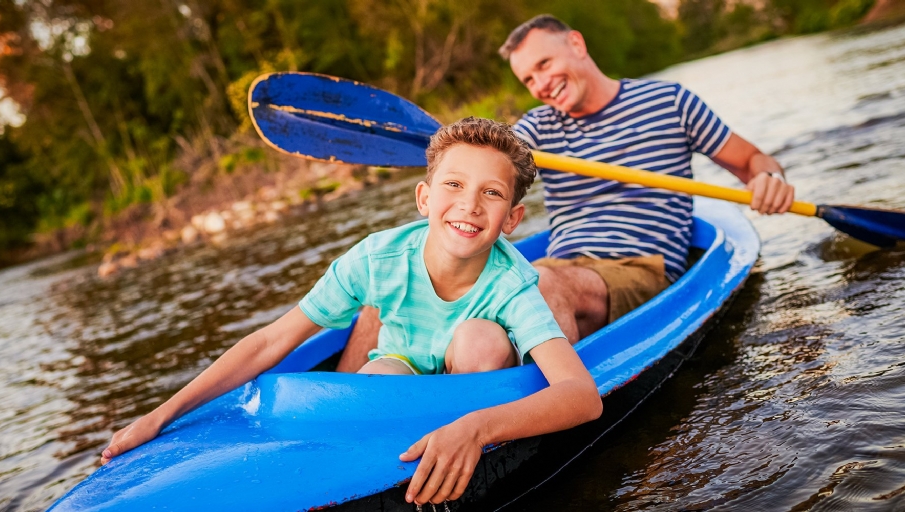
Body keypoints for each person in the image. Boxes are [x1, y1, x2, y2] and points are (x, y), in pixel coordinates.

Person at [100, 117, 603, 507]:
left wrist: (477, 427)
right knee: (375, 378)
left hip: (476, 380)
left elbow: (581, 397)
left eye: (491, 193)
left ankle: (458, 450)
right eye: (453, 185)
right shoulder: (375, 259)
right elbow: (272, 342)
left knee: (479, 339)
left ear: (513, 219)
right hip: (405, 365)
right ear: (424, 198)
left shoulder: (513, 284)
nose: (469, 205)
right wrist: (161, 415)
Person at [335, 14, 796, 372]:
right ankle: (345, 405)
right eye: (528, 80)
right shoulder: (535, 128)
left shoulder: (669, 102)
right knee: (399, 273)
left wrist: (767, 179)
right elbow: (481, 161)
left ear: (576, 44)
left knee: (545, 285)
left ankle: (520, 410)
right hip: (558, 263)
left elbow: (754, 161)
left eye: (544, 64)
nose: (540, 84)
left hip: (639, 268)